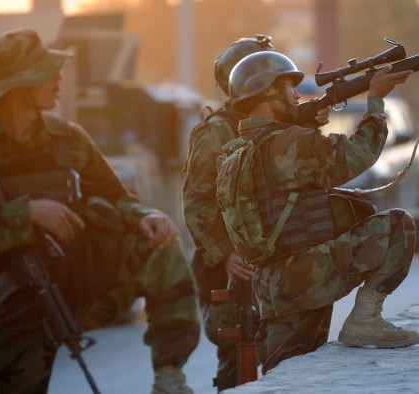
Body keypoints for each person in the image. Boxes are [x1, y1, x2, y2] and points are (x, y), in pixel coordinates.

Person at [0, 28, 200, 393]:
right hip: (2, 313)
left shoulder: (68, 139)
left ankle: (170, 376)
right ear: (19, 85)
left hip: (69, 286)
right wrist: (28, 213)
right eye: (46, 73)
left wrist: (143, 215)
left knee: (159, 244)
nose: (58, 79)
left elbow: (116, 197)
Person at [215, 51, 419, 374]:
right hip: (308, 275)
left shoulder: (239, 150)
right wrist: (376, 101)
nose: (297, 95)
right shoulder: (289, 143)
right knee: (398, 226)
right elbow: (358, 154)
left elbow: (282, 194)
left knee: (285, 375)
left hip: (274, 288)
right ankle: (365, 319)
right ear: (267, 91)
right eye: (288, 88)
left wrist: (305, 123)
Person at [181, 35, 272, 392]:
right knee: (238, 366)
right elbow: (196, 203)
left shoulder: (273, 121)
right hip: (229, 276)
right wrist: (225, 253)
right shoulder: (216, 131)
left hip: (266, 268)